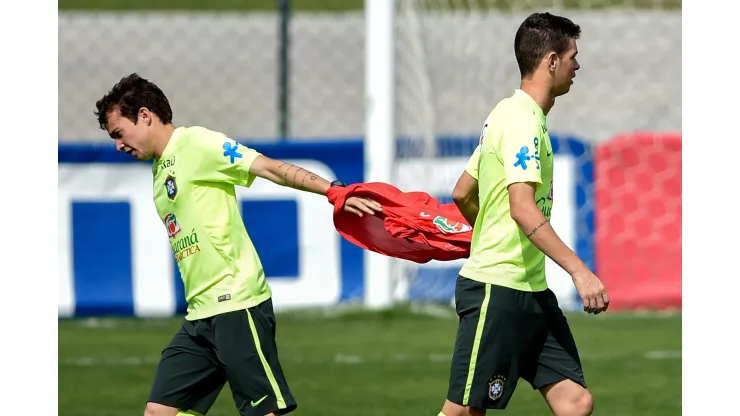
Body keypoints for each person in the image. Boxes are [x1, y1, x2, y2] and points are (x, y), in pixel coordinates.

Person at [93, 73, 381, 416]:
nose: (118, 146)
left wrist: (332, 190)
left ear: (144, 115)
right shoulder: (160, 168)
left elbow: (269, 168)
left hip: (236, 304)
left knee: (263, 412)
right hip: (201, 313)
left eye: (118, 134)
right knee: (159, 411)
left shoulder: (197, 144)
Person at [439, 12, 610, 416]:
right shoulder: (521, 121)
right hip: (498, 290)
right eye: (572, 56)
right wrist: (579, 272)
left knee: (574, 400)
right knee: (463, 411)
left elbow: (463, 191)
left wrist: (485, 231)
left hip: (531, 292)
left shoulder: (510, 113)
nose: (577, 65)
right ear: (552, 61)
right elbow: (522, 207)